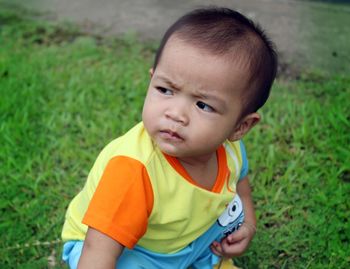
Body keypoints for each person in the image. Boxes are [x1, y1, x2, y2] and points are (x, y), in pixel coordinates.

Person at [61, 6, 278, 269]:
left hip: (189, 241)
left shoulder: (230, 150)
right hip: (122, 247)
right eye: (165, 90)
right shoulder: (134, 170)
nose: (175, 114)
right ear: (151, 81)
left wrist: (248, 225)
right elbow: (98, 252)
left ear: (240, 127)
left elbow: (240, 183)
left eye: (203, 106)